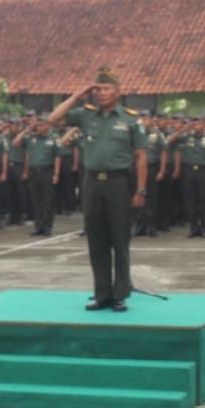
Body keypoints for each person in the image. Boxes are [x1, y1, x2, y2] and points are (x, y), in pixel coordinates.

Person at [48, 68, 148, 311]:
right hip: (91, 182)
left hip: (118, 183)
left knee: (119, 239)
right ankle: (101, 294)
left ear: (118, 92)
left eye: (107, 89)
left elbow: (141, 157)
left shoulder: (131, 119)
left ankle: (120, 293)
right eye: (99, 89)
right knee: (96, 240)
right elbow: (53, 119)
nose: (102, 93)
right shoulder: (85, 115)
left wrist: (141, 191)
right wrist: (76, 96)